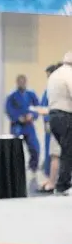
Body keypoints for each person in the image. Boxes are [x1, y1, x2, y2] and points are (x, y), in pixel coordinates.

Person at [5, 75, 40, 189]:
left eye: (23, 81)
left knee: (35, 148)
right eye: (19, 81)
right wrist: (18, 118)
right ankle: (15, 170)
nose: (21, 83)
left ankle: (33, 168)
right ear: (16, 82)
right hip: (17, 126)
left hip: (29, 126)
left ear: (26, 82)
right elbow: (8, 109)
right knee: (15, 148)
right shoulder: (12, 96)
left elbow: (37, 107)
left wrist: (32, 115)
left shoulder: (31, 94)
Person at [47, 51, 72, 196]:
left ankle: (62, 184)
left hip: (54, 116)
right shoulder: (69, 74)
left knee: (65, 151)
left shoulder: (56, 74)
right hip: (66, 115)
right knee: (68, 152)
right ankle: (63, 185)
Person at [38, 63, 62, 193]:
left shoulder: (55, 89)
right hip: (55, 122)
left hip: (56, 122)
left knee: (55, 155)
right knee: (53, 153)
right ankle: (52, 180)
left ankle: (53, 182)